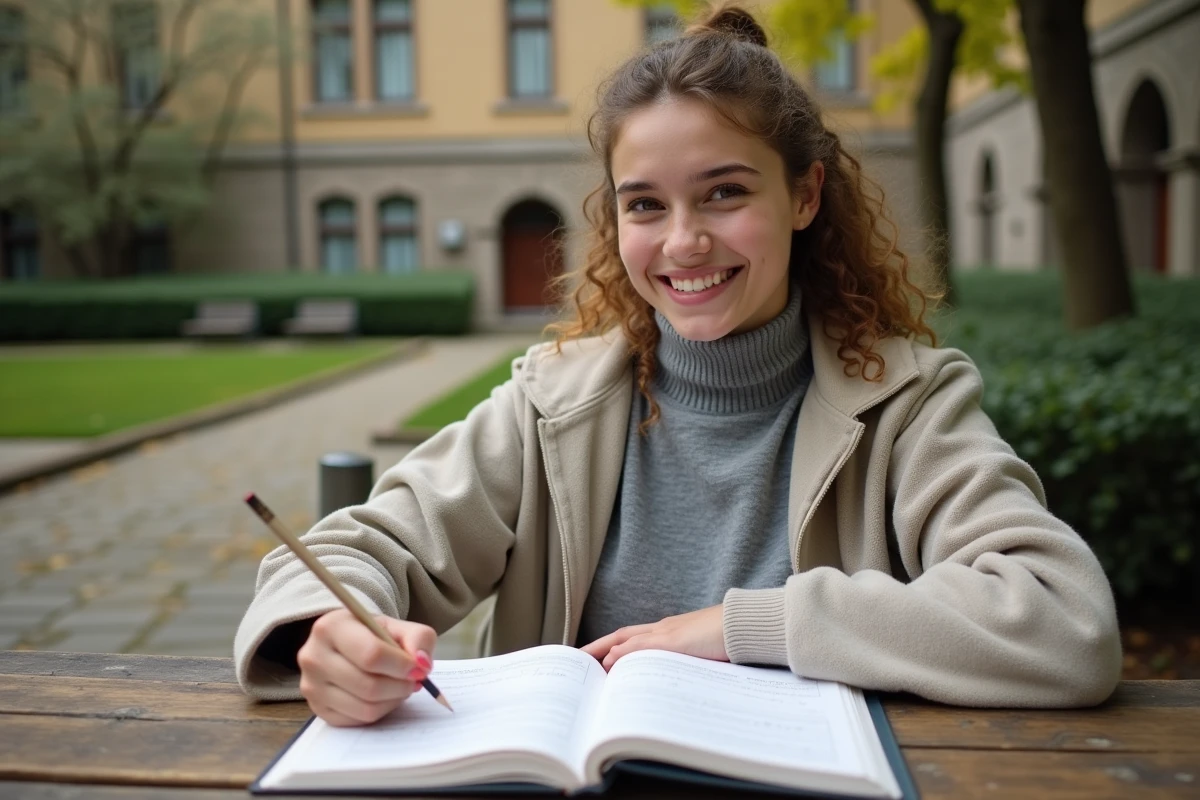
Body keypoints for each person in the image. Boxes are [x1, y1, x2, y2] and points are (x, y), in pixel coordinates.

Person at [234, 4, 1121, 726]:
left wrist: (742, 629)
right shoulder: (550, 406)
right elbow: (356, 547)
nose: (683, 242)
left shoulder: (910, 405)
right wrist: (329, 630)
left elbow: (1062, 619)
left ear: (805, 194)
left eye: (725, 193)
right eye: (645, 205)